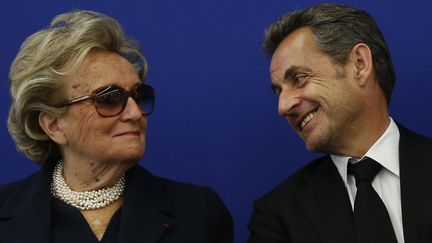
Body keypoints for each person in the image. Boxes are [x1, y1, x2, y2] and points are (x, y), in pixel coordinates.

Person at [0, 10, 233, 243]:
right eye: (109, 99)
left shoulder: (199, 213)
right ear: (54, 126)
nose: (135, 113)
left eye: (139, 95)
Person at [248, 3, 432, 243]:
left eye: (299, 78)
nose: (282, 106)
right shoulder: (277, 216)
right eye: (278, 91)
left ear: (360, 64)